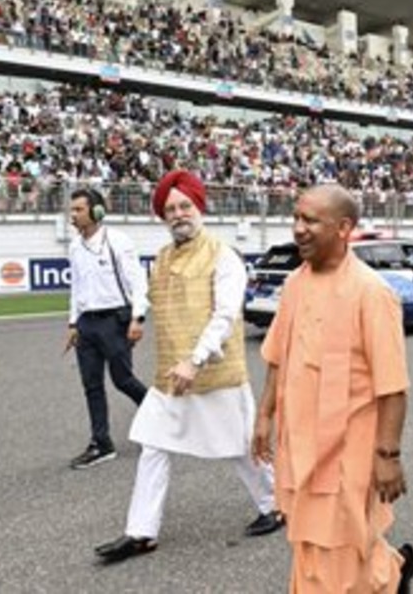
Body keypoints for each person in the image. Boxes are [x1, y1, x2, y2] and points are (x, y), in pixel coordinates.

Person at [94, 171, 283, 563]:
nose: (178, 214)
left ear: (199, 208)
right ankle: (142, 532)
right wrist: (136, 321)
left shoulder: (223, 255)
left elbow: (227, 314)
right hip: (171, 377)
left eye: (184, 206)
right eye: (170, 209)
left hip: (214, 372)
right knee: (153, 444)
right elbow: (150, 297)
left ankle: (276, 504)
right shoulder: (163, 257)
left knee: (241, 447)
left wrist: (194, 359)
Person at [252, 184, 413, 594]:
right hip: (300, 447)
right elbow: (279, 355)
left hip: (349, 452)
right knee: (308, 543)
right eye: (295, 218)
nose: (298, 229)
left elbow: (392, 387)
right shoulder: (294, 283)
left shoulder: (372, 293)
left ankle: (389, 576)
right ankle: (392, 573)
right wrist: (264, 416)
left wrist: (388, 457)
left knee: (342, 550)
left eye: (310, 220)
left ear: (344, 227)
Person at [66, 188, 149, 469]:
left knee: (123, 380)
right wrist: (73, 322)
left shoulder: (117, 241)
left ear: (97, 211)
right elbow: (76, 287)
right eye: (72, 210)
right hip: (86, 324)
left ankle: (163, 418)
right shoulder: (75, 246)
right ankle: (101, 444)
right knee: (92, 386)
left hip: (115, 321)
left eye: (78, 209)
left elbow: (138, 281)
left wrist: (138, 318)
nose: (73, 215)